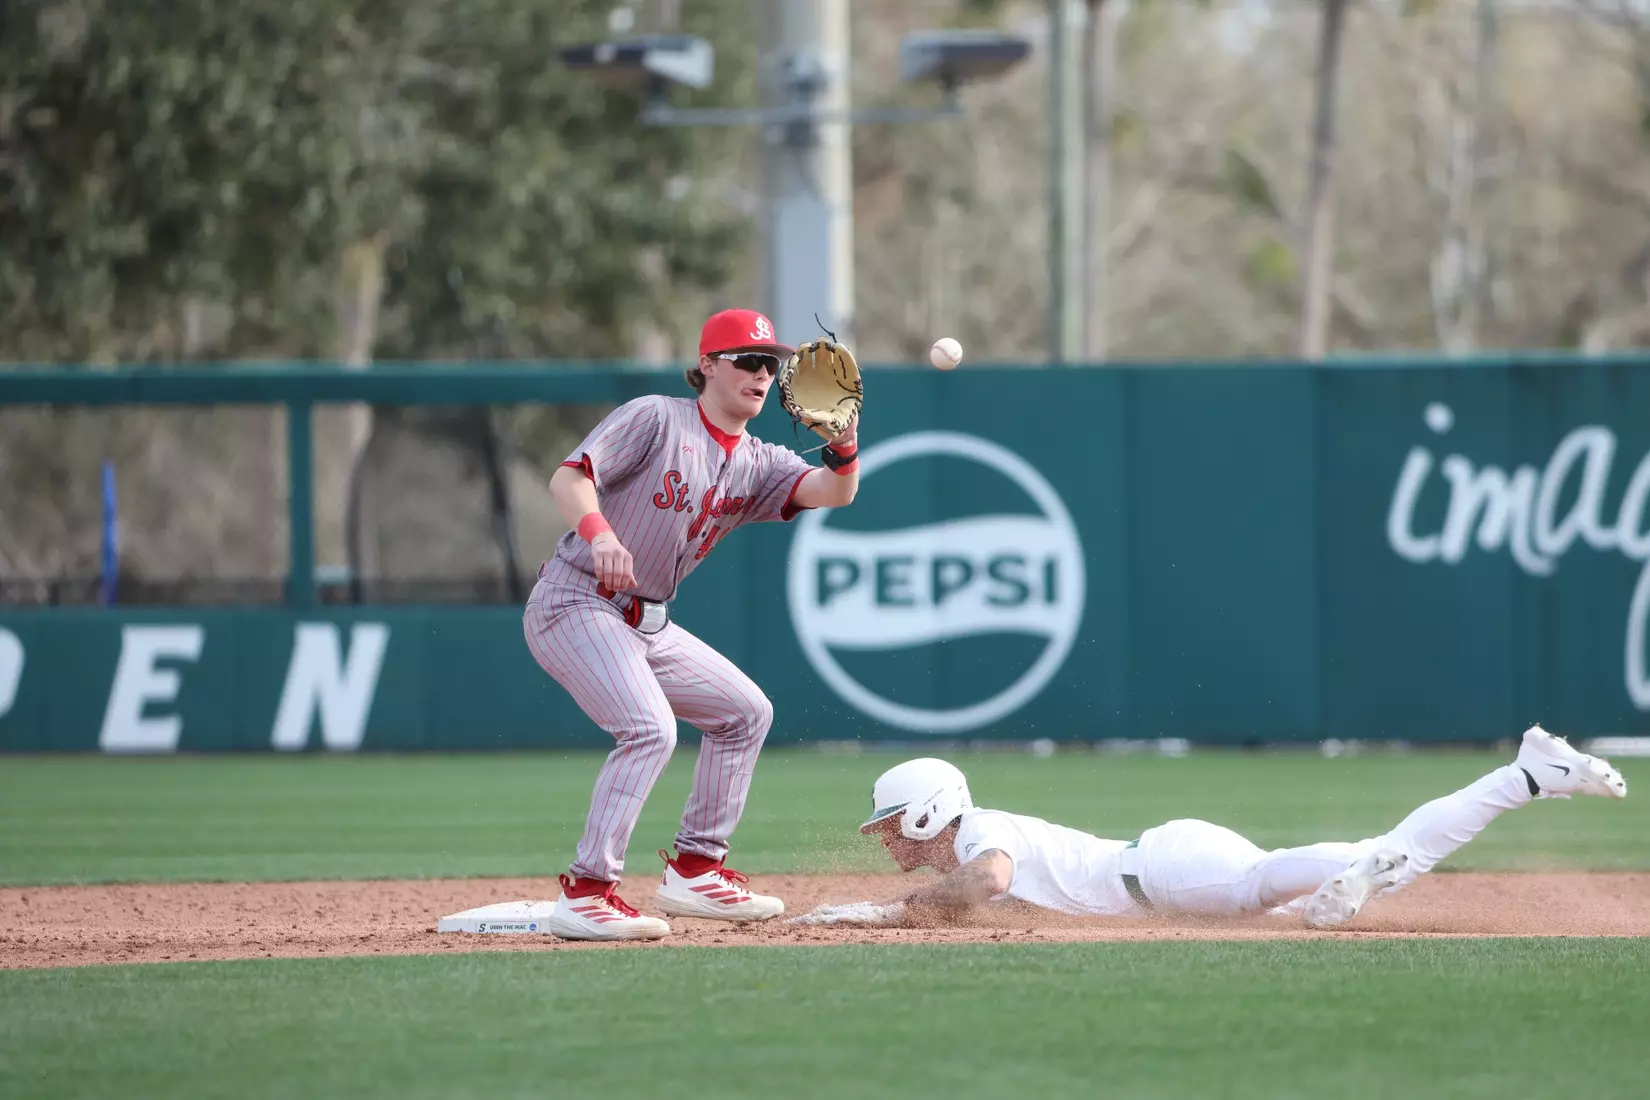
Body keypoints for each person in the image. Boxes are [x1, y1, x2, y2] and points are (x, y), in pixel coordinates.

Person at [525, 307, 860, 941]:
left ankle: (696, 870)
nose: (763, 374)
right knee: (650, 728)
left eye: (772, 365)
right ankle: (588, 890)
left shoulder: (758, 460)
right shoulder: (656, 417)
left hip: (648, 623)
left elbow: (833, 492)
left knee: (745, 713)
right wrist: (598, 533)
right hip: (575, 601)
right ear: (708, 366)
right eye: (748, 361)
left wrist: (843, 443)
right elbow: (569, 477)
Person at [787, 725, 1628, 930]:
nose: (890, 841)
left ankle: (1371, 859)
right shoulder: (976, 831)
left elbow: (989, 883)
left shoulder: (979, 834)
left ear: (933, 808)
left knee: (1275, 881)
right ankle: (1523, 775)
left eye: (895, 825)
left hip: (1161, 873)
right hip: (1167, 876)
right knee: (1311, 898)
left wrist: (887, 912)